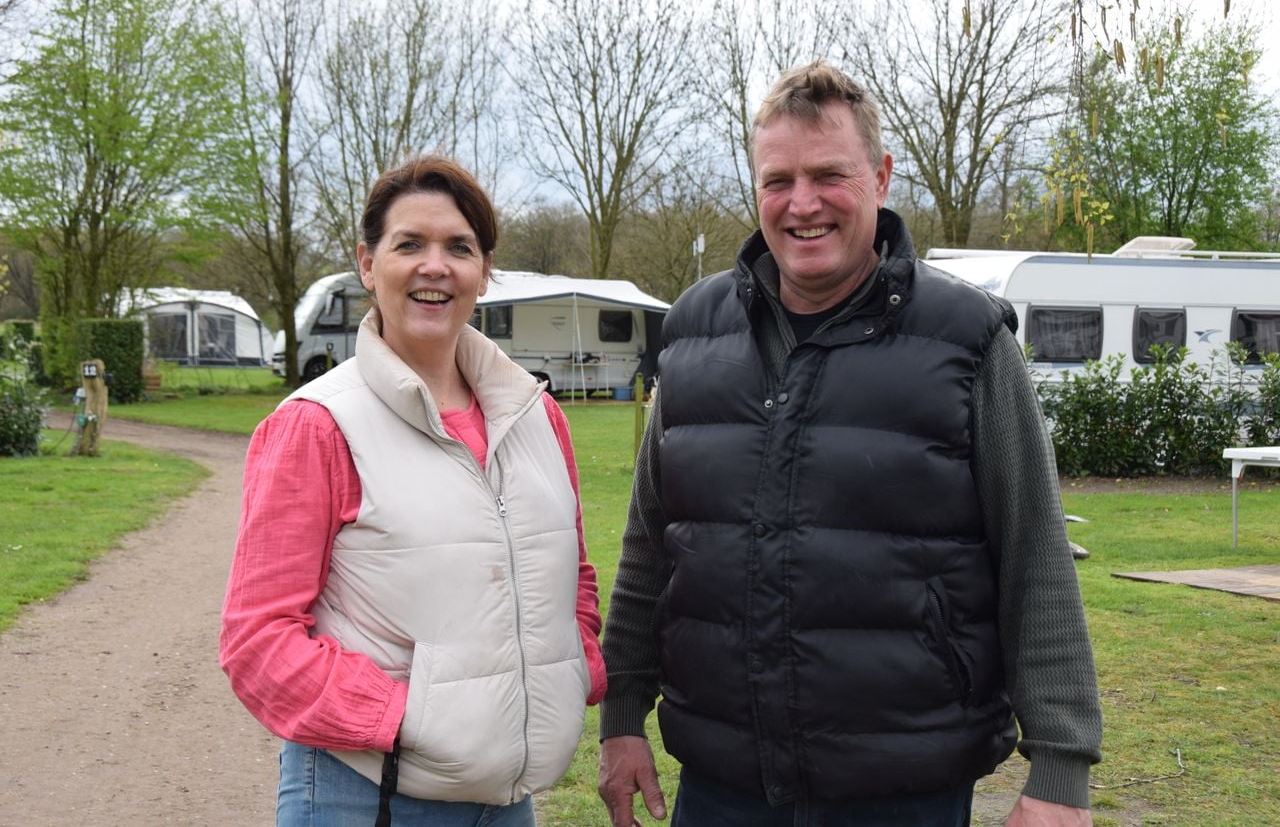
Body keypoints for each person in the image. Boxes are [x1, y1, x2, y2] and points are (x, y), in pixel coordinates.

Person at [597, 61, 1102, 827]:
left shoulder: (966, 339)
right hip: (723, 783)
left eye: (829, 174)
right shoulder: (695, 331)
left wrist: (1060, 769)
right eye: (778, 179)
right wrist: (624, 713)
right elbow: (652, 543)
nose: (802, 204)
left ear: (881, 177)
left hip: (904, 788)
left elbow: (1034, 553)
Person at [220, 154, 606, 827]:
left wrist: (576, 672)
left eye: (459, 247)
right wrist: (409, 718)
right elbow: (259, 639)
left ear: (484, 272)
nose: (436, 265)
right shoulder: (316, 425)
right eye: (410, 244)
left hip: (508, 802)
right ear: (369, 265)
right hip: (366, 794)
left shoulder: (537, 415)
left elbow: (571, 574)